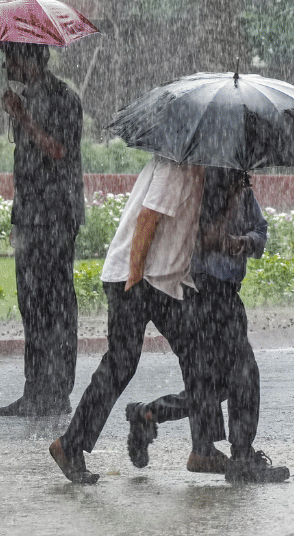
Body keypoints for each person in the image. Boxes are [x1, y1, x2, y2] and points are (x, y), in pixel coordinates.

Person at [123, 167, 288, 483]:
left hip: (228, 294)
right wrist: (214, 228)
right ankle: (240, 456)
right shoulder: (197, 186)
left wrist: (242, 242)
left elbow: (260, 231)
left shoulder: (241, 187)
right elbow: (190, 236)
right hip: (200, 293)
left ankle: (149, 414)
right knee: (239, 374)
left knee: (220, 382)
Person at [49, 155, 207, 484]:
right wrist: (134, 277)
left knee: (194, 358)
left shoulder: (192, 164)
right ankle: (71, 444)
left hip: (161, 283)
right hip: (138, 280)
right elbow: (147, 219)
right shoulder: (173, 165)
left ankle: (191, 441)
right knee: (126, 363)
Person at [0, 42, 85, 418]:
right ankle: (34, 391)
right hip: (30, 214)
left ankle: (58, 391)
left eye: (10, 56)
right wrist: (20, 114)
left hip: (56, 215)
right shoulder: (28, 97)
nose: (5, 65)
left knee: (57, 303)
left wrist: (25, 118)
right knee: (30, 302)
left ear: (30, 58)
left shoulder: (64, 98)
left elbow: (59, 151)